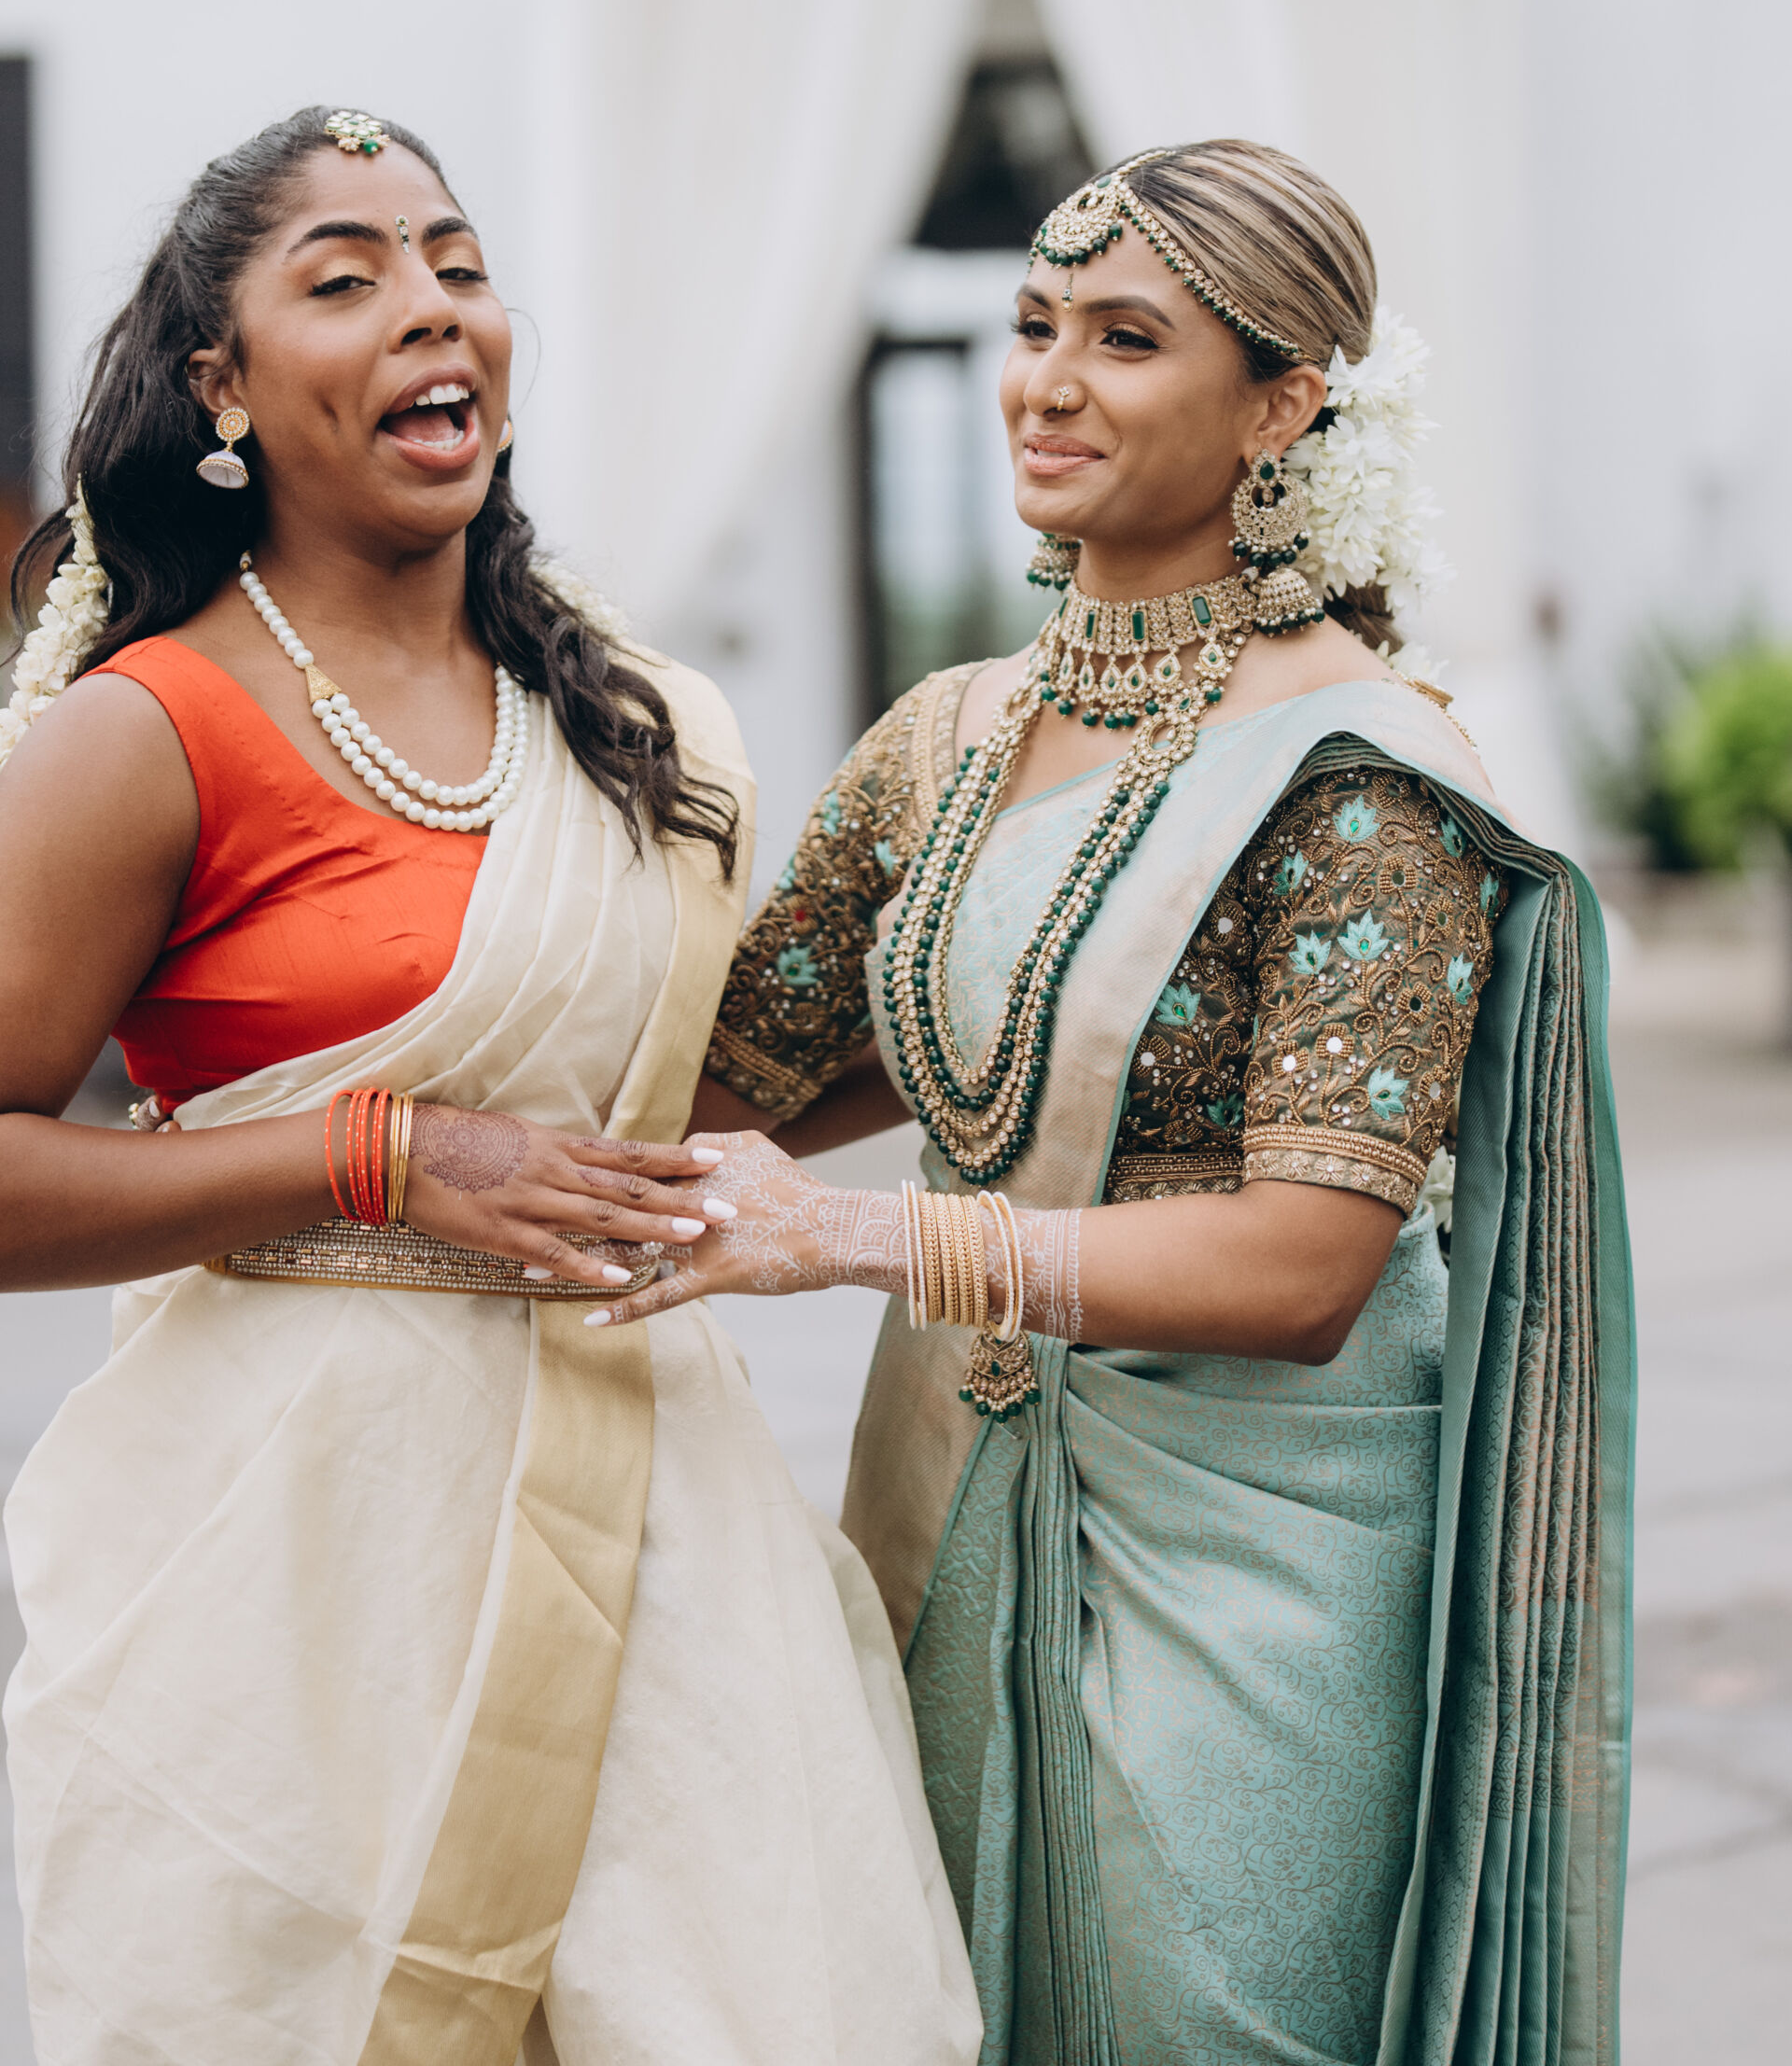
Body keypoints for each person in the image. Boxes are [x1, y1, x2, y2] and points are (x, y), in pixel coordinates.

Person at [602, 143, 1631, 2066]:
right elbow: (723, 1081)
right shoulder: (943, 742)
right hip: (954, 1492)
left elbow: (1308, 1266)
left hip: (1270, 1545)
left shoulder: (1360, 777)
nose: (1048, 384)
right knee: (934, 2005)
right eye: (1034, 324)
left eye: (1127, 339)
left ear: (1281, 407)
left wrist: (849, 1237)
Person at [0, 108, 980, 2066]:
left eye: (456, 264)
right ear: (223, 384)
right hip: (303, 1566)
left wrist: (1040, 1000)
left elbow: (667, 1106)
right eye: (346, 278)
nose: (432, 308)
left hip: (664, 1530)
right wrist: (373, 1153)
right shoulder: (145, 730)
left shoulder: (629, 722)